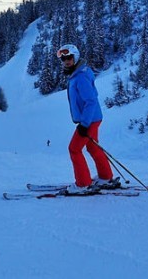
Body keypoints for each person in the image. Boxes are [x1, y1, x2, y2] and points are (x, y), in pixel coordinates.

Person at [57, 43, 114, 193]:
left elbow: (91, 101)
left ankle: (82, 184)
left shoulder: (80, 77)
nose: (66, 61)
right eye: (63, 59)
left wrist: (84, 124)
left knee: (74, 149)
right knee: (93, 147)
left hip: (89, 120)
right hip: (93, 118)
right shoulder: (78, 74)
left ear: (75, 57)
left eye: (69, 57)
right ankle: (105, 177)